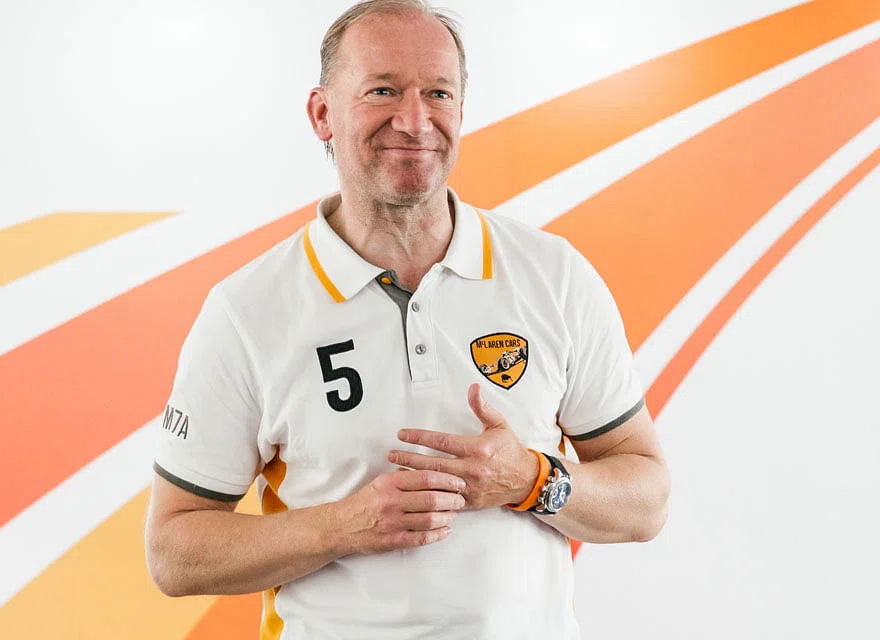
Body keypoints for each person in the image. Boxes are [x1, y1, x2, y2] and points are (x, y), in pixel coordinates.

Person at [144, 1, 670, 638]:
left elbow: (646, 499)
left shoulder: (554, 276)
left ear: (461, 113)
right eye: (383, 90)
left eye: (438, 93)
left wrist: (531, 480)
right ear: (322, 114)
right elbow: (173, 552)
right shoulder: (247, 310)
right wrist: (343, 526)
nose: (415, 120)